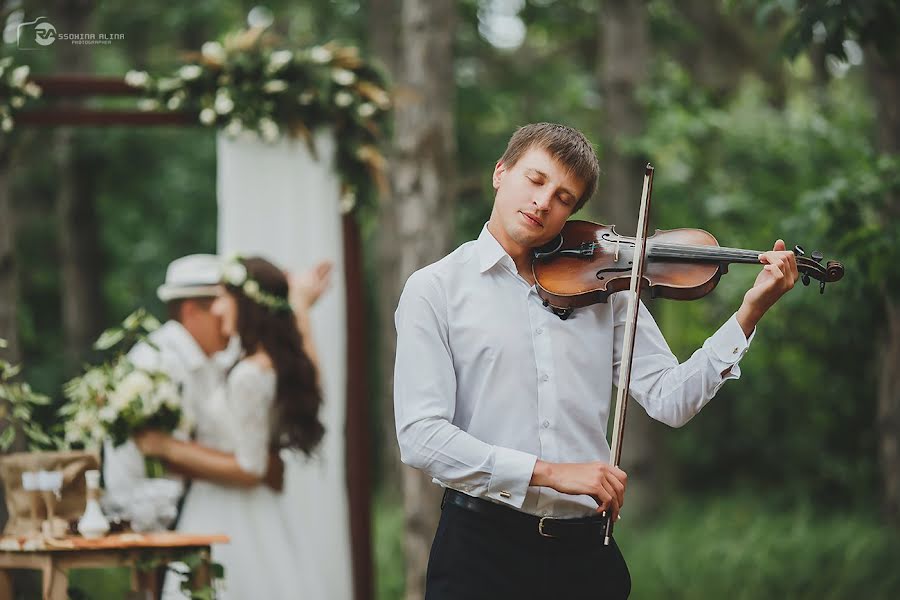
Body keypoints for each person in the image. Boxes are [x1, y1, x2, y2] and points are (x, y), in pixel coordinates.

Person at [393, 123, 799, 599]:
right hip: (480, 552)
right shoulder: (436, 289)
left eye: (564, 197)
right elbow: (422, 438)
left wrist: (749, 313)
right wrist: (548, 472)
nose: (544, 202)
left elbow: (671, 400)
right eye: (536, 179)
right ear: (500, 172)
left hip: (584, 557)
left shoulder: (607, 288)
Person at [135, 256, 331, 600]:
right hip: (257, 511)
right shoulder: (270, 363)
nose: (218, 308)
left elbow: (251, 467)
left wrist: (167, 448)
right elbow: (314, 375)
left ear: (245, 304)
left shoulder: (248, 375)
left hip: (227, 514)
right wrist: (300, 306)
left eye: (223, 297)